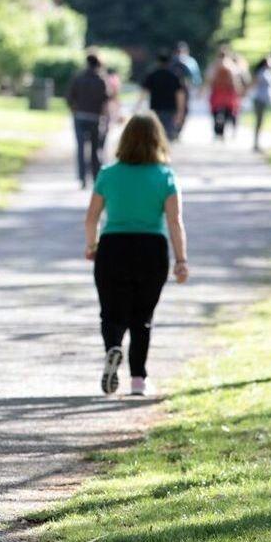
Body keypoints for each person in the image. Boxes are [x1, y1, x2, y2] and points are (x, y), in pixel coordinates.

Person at [83, 112, 189, 397]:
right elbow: (174, 221)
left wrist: (92, 246)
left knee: (111, 312)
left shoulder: (108, 173)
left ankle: (113, 348)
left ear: (125, 139)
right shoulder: (166, 176)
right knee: (142, 316)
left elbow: (91, 218)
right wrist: (181, 260)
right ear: (158, 140)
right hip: (151, 249)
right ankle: (138, 380)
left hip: (113, 247)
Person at [65, 54, 111, 189]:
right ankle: (96, 177)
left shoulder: (78, 78)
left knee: (80, 148)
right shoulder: (101, 80)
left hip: (79, 116)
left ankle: (82, 177)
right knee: (95, 149)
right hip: (95, 118)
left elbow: (69, 97)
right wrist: (106, 119)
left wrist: (74, 109)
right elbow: (105, 102)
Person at [137, 52, 186, 141]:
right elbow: (180, 95)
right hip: (170, 109)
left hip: (155, 108)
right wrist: (181, 111)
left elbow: (144, 92)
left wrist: (138, 107)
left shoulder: (152, 75)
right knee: (167, 134)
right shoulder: (174, 76)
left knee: (155, 134)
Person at [205, 47, 247, 141]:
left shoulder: (214, 65)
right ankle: (228, 130)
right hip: (228, 93)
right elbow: (235, 80)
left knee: (216, 113)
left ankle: (218, 132)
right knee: (230, 112)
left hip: (217, 92)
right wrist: (239, 91)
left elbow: (209, 79)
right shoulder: (231, 66)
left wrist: (203, 90)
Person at [249, 54, 271, 152]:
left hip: (264, 101)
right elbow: (253, 84)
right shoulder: (262, 73)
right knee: (259, 122)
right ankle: (256, 143)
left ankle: (258, 143)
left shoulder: (268, 72)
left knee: (261, 122)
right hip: (259, 100)